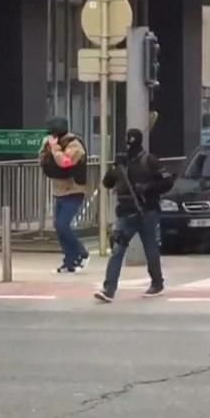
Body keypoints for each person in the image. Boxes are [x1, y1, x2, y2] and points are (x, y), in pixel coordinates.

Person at [94, 129, 173, 303]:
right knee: (118, 250)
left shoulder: (149, 161)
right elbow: (108, 182)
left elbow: (167, 181)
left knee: (150, 247)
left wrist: (147, 188)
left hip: (147, 211)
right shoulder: (124, 162)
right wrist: (116, 167)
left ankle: (157, 282)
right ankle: (109, 289)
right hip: (126, 212)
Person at [39, 116, 90, 274]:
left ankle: (82, 253)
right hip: (59, 191)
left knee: (63, 225)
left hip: (74, 191)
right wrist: (46, 148)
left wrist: (55, 150)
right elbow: (42, 160)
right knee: (58, 227)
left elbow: (65, 163)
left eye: (53, 134)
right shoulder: (51, 144)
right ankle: (69, 261)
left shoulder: (75, 145)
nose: (51, 137)